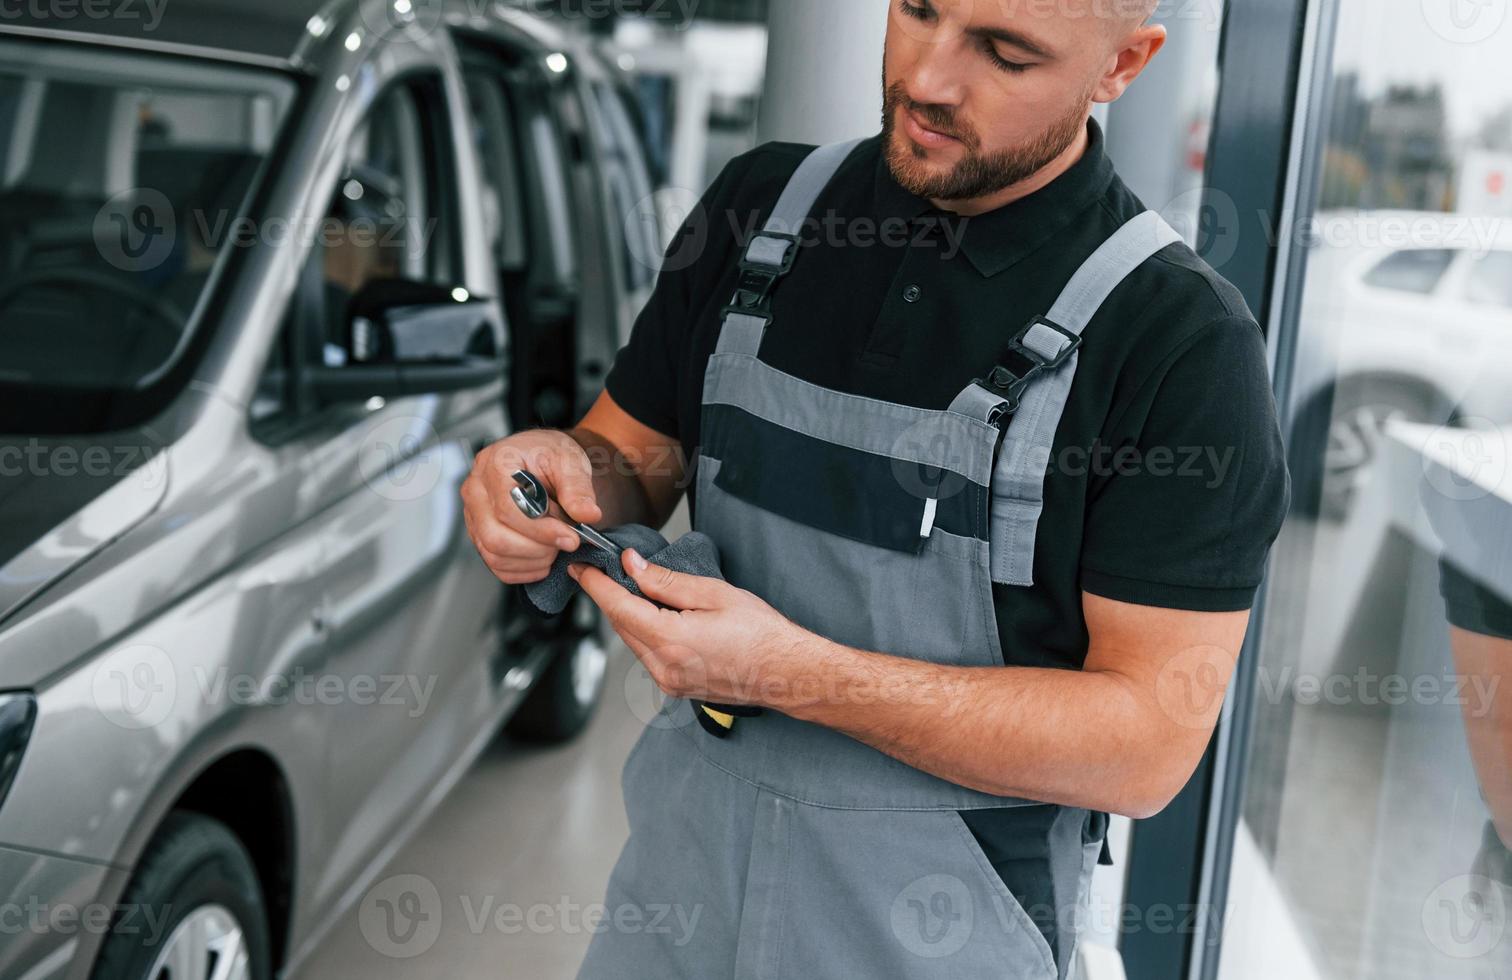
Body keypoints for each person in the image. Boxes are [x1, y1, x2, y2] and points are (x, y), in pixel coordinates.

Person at [462, 1, 1291, 976]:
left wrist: (789, 671)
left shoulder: (1175, 343)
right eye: (920, 10)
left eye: (1006, 53)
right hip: (673, 902)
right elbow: (628, 461)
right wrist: (558, 473)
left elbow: (1144, 744)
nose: (929, 79)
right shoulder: (757, 209)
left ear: (1124, 64)